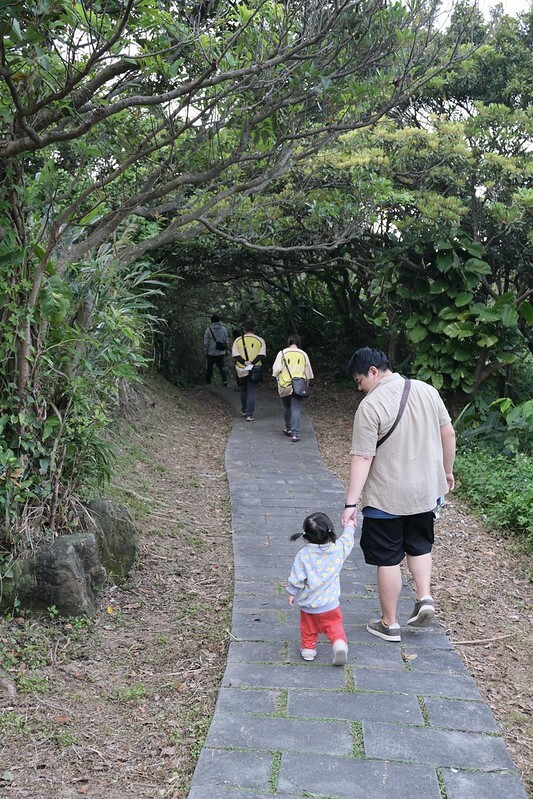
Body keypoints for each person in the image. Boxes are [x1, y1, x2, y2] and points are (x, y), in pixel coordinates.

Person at [341, 347, 456, 643]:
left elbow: (362, 458)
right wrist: (447, 471)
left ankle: (389, 624)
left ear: (374, 372)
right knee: (419, 546)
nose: (359, 387)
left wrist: (351, 503)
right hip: (425, 493)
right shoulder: (427, 390)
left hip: (386, 496)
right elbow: (448, 433)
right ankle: (424, 597)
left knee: (388, 558)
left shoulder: (370, 406)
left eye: (359, 380)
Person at [287, 512, 355, 666]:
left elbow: (297, 578)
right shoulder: (338, 549)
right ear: (330, 531)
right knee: (334, 626)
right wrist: (350, 526)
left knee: (308, 627)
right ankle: (339, 644)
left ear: (305, 536)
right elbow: (347, 540)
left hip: (308, 605)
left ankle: (308, 650)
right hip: (330, 604)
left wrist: (292, 592)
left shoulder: (303, 555)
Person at [272, 334, 314, 443]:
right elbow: (308, 373)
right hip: (299, 385)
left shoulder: (282, 353)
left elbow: (276, 370)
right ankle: (295, 434)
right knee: (296, 408)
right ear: (299, 343)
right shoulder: (303, 354)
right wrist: (306, 384)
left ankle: (288, 428)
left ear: (288, 342)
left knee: (286, 406)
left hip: (285, 384)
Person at [231, 320, 266, 421]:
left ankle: (244, 409)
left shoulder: (238, 340)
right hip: (255, 368)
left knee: (243, 388)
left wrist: (245, 362)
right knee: (252, 390)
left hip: (241, 368)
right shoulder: (260, 340)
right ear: (254, 329)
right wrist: (252, 362)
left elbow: (235, 354)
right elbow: (262, 354)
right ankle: (249, 414)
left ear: (244, 329)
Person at [204, 314, 229, 386]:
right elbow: (226, 341)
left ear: (211, 321)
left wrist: (205, 351)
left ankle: (208, 382)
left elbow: (206, 342)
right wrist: (226, 350)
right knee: (221, 367)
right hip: (221, 352)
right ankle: (225, 380)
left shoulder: (208, 330)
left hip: (211, 352)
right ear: (219, 321)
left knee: (209, 367)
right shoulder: (224, 329)